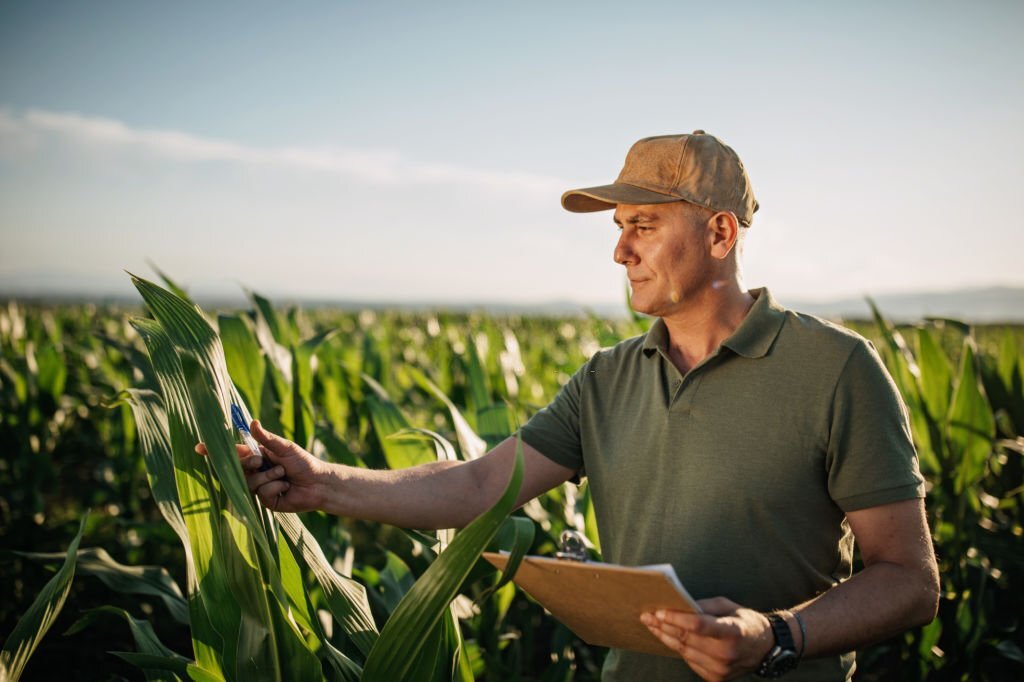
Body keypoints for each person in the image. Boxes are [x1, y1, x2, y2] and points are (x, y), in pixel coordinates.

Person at [225, 131, 940, 681]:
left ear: (720, 233)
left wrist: (774, 636)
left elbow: (909, 581)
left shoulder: (836, 369)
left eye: (645, 226)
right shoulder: (606, 379)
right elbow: (479, 485)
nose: (621, 252)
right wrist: (323, 483)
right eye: (618, 227)